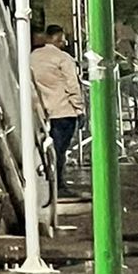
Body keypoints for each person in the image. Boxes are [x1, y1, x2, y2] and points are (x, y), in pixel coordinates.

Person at [30, 24, 85, 198]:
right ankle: (59, 186)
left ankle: (47, 185)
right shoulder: (63, 58)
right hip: (64, 111)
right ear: (59, 38)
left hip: (41, 112)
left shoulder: (32, 57)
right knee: (60, 152)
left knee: (45, 151)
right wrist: (80, 109)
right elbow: (72, 85)